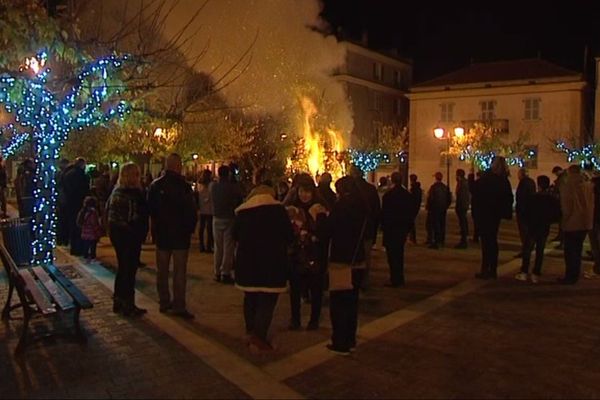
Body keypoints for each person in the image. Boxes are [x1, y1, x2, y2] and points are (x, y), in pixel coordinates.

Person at [233, 187, 294, 352]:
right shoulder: (278, 212)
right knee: (267, 301)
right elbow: (289, 235)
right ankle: (258, 337)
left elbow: (235, 235)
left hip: (247, 263)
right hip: (272, 263)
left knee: (250, 297)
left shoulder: (243, 213)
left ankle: (250, 331)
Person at [319, 176, 368, 356]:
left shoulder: (341, 207)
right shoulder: (363, 207)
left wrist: (322, 218)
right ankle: (350, 339)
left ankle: (340, 342)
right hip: (358, 261)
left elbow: (328, 230)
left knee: (338, 303)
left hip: (342, 260)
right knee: (352, 302)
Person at [148, 153, 198, 318]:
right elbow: (191, 211)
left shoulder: (156, 186)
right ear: (177, 166)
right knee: (179, 272)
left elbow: (151, 211)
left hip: (162, 234)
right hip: (180, 235)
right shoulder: (184, 186)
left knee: (162, 271)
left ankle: (164, 301)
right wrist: (189, 229)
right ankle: (178, 305)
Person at [106, 163, 149, 317]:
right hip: (127, 235)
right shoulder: (128, 194)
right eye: (136, 174)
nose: (139, 178)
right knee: (128, 269)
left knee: (124, 268)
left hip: (122, 234)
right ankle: (127, 303)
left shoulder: (118, 192)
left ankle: (120, 300)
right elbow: (132, 216)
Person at [285, 179, 328, 331]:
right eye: (301, 191)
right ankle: (295, 319)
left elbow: (323, 233)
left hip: (314, 254)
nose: (304, 195)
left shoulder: (319, 209)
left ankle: (314, 320)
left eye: (307, 191)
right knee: (295, 289)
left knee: (315, 289)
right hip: (296, 254)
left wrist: (311, 235)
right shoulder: (291, 209)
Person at [472, 157, 513, 279]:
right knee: (492, 241)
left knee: (487, 242)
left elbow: (475, 189)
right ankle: (492, 269)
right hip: (495, 214)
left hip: (485, 213)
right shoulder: (504, 180)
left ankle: (486, 269)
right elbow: (508, 198)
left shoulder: (488, 178)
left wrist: (471, 176)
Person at [514, 175, 561, 283]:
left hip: (533, 227)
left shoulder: (533, 198)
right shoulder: (551, 199)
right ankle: (536, 273)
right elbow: (557, 215)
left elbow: (525, 212)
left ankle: (524, 271)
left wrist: (527, 222)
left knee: (527, 249)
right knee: (540, 251)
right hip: (544, 227)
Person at [381, 171, 419, 287]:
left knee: (392, 256)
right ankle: (399, 278)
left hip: (391, 229)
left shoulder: (388, 195)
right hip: (401, 229)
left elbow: (385, 214)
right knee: (399, 254)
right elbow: (410, 213)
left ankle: (394, 278)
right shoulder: (406, 195)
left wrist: (383, 227)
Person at [558, 165, 594, 284]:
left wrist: (564, 220)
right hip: (585, 222)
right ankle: (575, 274)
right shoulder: (588, 185)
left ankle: (570, 276)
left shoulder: (569, 186)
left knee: (570, 251)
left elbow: (567, 207)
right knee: (577, 250)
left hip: (573, 222)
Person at [348, 165, 380, 290]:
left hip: (352, 230)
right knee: (366, 257)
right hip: (367, 229)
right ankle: (364, 281)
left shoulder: (351, 189)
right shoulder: (371, 189)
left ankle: (353, 279)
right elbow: (377, 211)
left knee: (353, 255)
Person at [211, 164, 243, 283]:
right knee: (228, 247)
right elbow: (239, 198)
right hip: (229, 217)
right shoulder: (232, 187)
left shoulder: (214, 187)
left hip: (216, 217)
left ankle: (217, 272)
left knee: (218, 247)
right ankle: (225, 272)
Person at [63, 158, 90, 256]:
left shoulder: (67, 174)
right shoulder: (82, 175)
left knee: (72, 225)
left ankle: (74, 248)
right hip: (79, 203)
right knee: (80, 226)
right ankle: (81, 249)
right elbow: (85, 189)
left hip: (69, 203)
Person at [515, 168, 536, 257]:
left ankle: (526, 249)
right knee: (527, 230)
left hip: (523, 210)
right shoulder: (531, 182)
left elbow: (521, 197)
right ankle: (529, 247)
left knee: (524, 231)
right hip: (530, 209)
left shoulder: (523, 183)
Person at [426, 172, 451, 249]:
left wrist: (429, 207)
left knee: (435, 225)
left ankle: (436, 241)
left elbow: (431, 198)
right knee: (442, 224)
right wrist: (446, 206)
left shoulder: (434, 187)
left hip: (435, 208)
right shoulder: (445, 187)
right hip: (442, 208)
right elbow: (449, 198)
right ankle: (441, 241)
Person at [77, 196, 103, 260]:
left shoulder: (83, 212)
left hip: (85, 232)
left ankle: (85, 255)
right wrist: (98, 231)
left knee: (86, 245)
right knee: (93, 246)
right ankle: (92, 256)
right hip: (92, 233)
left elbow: (79, 222)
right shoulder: (93, 212)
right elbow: (94, 223)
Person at [197, 169, 214, 253]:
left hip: (202, 208)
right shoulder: (211, 185)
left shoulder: (199, 184)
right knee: (209, 228)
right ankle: (208, 246)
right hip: (210, 208)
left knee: (202, 227)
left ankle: (202, 245)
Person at [454, 169, 470, 249]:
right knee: (463, 221)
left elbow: (460, 195)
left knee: (462, 222)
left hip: (461, 205)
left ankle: (463, 241)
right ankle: (464, 237)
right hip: (464, 205)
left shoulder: (462, 183)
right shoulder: (465, 182)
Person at [408, 174, 422, 244]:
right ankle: (412, 238)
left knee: (410, 223)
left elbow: (411, 199)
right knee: (411, 222)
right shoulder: (418, 189)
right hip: (416, 207)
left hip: (412, 208)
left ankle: (412, 238)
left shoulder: (413, 189)